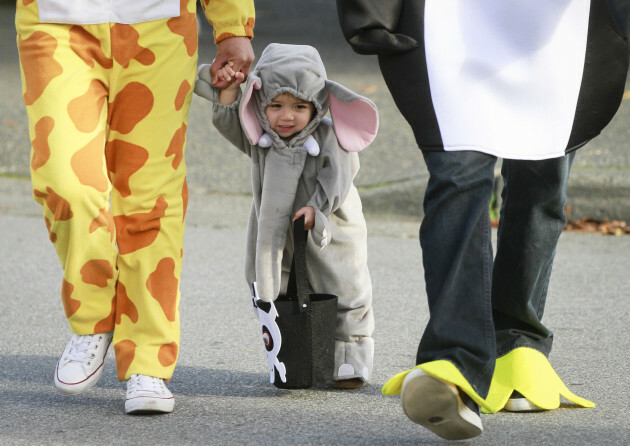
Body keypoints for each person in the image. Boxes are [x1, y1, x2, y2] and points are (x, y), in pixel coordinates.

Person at [338, 0, 629, 440]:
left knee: (542, 176)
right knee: (457, 175)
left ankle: (519, 341)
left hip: (556, 25)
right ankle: (454, 365)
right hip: (452, 18)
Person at [15, 0, 255, 414]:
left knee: (151, 197)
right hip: (56, 23)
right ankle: (94, 316)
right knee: (65, 184)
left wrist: (232, 24)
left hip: (158, 25)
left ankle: (148, 359)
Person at [194, 43, 379, 388]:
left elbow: (341, 174)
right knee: (274, 287)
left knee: (344, 285)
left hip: (329, 226)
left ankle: (349, 358)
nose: (286, 116)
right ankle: (288, 355)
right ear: (261, 105)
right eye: (275, 105)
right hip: (275, 230)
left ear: (317, 105)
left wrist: (319, 207)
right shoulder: (262, 138)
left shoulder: (328, 136)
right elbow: (232, 124)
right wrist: (230, 92)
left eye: (299, 106)